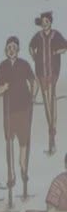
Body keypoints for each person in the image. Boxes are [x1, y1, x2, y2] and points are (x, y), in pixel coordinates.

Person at [0, 36, 37, 206]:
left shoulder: (24, 64)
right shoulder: (2, 67)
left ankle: (23, 167)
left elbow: (33, 81)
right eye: (9, 47)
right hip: (9, 110)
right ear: (6, 50)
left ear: (18, 49)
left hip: (24, 108)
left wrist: (33, 96)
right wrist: (3, 87)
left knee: (23, 141)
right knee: (9, 141)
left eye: (14, 47)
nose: (11, 50)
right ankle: (11, 173)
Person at [32, 11, 61, 155]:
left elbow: (65, 46)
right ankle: (52, 133)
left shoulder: (56, 35)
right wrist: (34, 55)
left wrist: (56, 51)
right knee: (47, 103)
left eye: (47, 21)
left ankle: (52, 135)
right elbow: (31, 47)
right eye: (43, 22)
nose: (45, 24)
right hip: (41, 73)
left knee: (51, 102)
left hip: (52, 73)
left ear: (50, 22)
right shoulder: (38, 36)